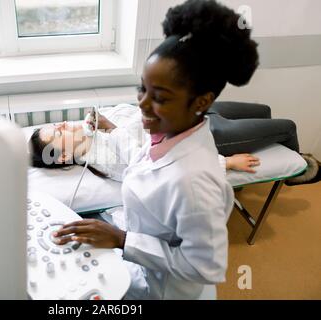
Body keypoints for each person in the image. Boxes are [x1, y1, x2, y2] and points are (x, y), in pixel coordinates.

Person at [51, 0, 259, 299]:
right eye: (142, 89)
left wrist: (123, 240)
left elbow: (206, 268)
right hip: (142, 267)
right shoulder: (170, 133)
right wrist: (111, 129)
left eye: (159, 97)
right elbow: (139, 154)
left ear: (201, 102)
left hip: (165, 290)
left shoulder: (192, 183)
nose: (143, 104)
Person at [29, 104, 263, 182]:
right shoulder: (105, 161)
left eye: (57, 124)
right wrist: (227, 163)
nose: (62, 125)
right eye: (57, 134)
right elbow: (166, 165)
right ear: (61, 157)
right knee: (287, 128)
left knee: (263, 111)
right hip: (205, 134)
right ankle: (297, 174)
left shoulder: (89, 133)